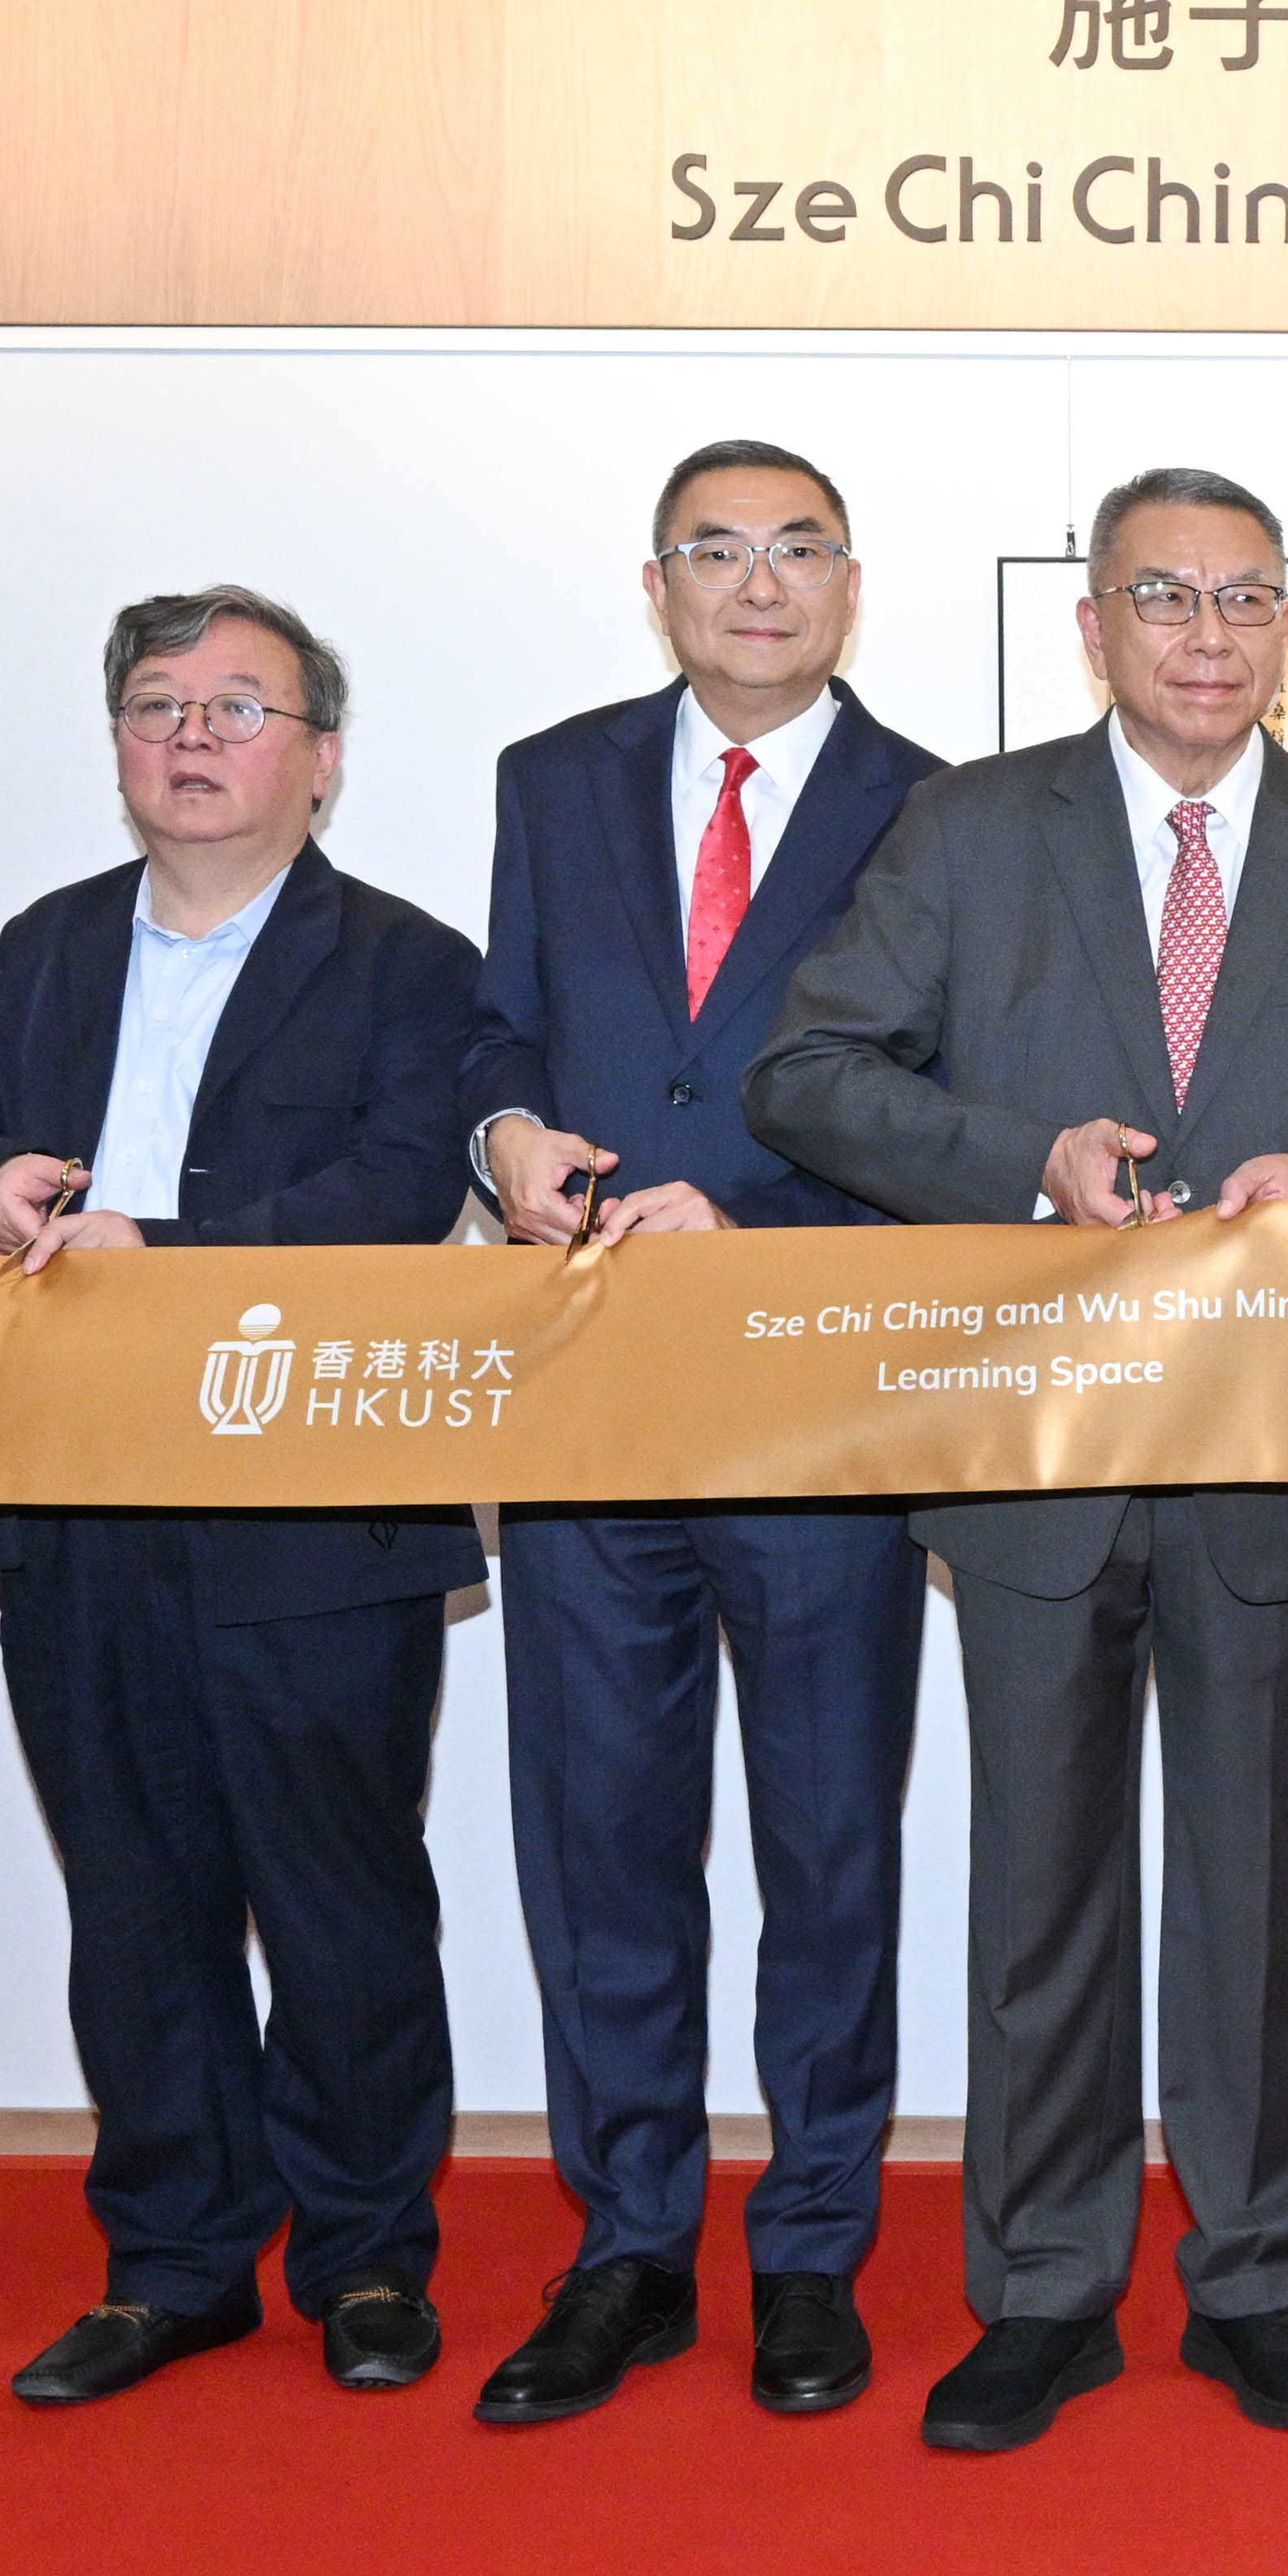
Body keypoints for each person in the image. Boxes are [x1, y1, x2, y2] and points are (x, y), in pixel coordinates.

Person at [749, 467, 1288, 2455]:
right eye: (1167, 598)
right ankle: (1046, 2289)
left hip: (1261, 1450)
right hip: (1037, 1451)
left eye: (1246, 600)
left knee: (1254, 1888)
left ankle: (1252, 2279)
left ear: (1284, 628)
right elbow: (808, 1075)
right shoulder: (967, 832)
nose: (1209, 635)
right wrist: (1025, 1158)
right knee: (1040, 1890)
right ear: (1095, 628)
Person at [0, 586, 492, 2411]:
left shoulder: (407, 960)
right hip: (81, 1493)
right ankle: (174, 2260)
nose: (193, 736)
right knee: (135, 1902)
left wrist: (166, 1251)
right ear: (117, 748)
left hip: (313, 1496)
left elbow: (403, 1191)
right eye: (158, 705)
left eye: (239, 708)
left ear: (319, 760)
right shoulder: (51, 940)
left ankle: (367, 2258)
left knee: (341, 1901)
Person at [452, 442, 943, 2427]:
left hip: (818, 1394)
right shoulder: (551, 778)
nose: (758, 585)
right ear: (655, 585)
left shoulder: (937, 805)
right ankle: (627, 2245)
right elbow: (502, 1023)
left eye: (797, 551)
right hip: (585, 1399)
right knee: (604, 1845)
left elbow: (943, 1102)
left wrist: (755, 1218)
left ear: (850, 583)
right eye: (717, 554)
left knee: (830, 1846)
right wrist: (500, 1139)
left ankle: (814, 2246)